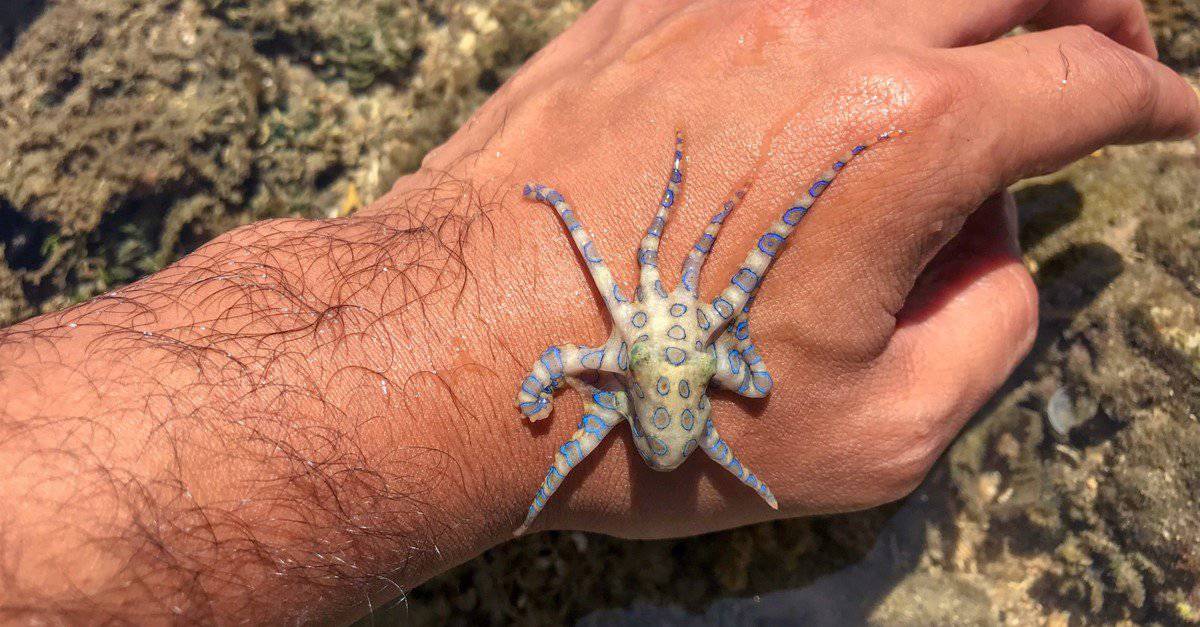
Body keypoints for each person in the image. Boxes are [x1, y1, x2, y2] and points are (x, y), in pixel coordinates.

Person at [0, 0, 1196, 622]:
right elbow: (720, 340)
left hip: (658, 403)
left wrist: (518, 355)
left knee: (673, 301)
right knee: (736, 267)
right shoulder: (678, 337)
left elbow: (596, 310)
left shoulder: (629, 340)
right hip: (674, 408)